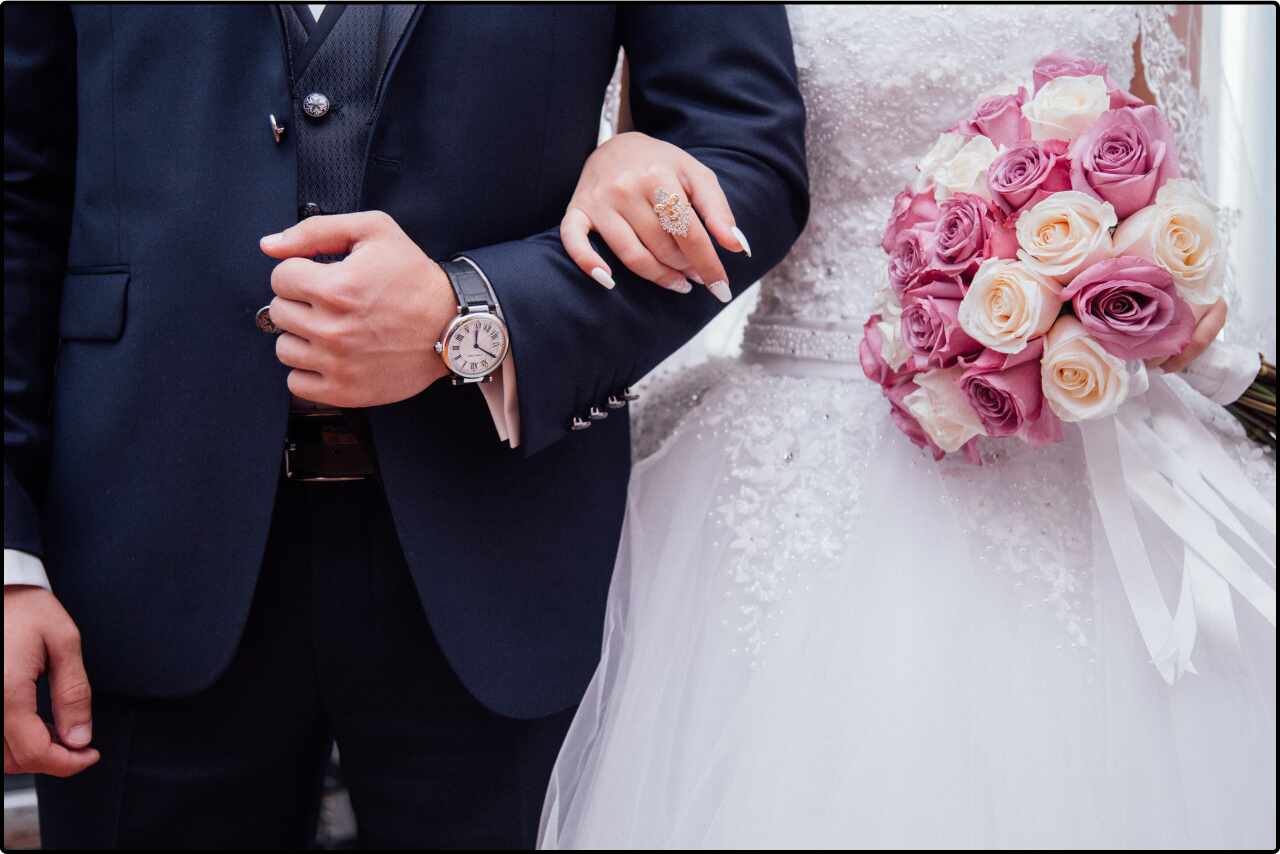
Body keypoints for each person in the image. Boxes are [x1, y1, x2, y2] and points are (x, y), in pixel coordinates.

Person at [1, 4, 807, 847]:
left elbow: (745, 154)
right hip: (138, 547)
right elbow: (17, 189)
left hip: (504, 549)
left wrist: (475, 318)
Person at [538, 5, 1276, 848]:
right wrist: (618, 154)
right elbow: (670, 142)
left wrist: (1140, 294)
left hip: (1079, 426)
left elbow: (1154, 159)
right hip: (804, 446)